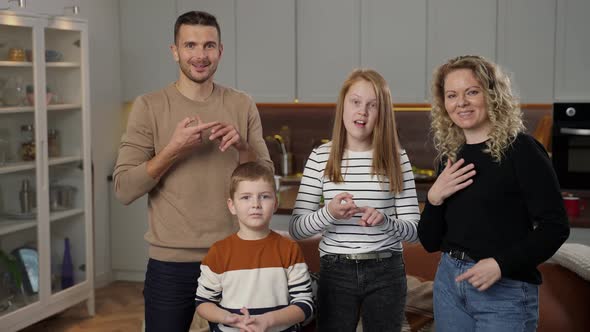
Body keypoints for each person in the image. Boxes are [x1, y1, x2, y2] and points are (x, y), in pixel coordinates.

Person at [112, 11, 272, 332]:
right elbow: (124, 188)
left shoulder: (242, 105)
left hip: (233, 258)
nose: (200, 55)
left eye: (209, 46)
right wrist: (173, 149)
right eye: (190, 45)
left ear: (220, 51)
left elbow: (266, 180)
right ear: (175, 51)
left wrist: (243, 147)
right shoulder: (149, 106)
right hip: (170, 265)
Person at [417, 55, 570, 332]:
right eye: (452, 95)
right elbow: (429, 241)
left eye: (471, 92)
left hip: (505, 290)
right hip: (449, 284)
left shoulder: (522, 150)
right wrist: (434, 199)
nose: (461, 102)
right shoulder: (449, 158)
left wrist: (501, 264)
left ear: (492, 95)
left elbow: (555, 227)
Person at [289, 69, 420, 331]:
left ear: (382, 114)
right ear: (343, 106)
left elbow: (415, 232)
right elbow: (296, 228)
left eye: (373, 105)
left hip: (387, 271)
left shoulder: (397, 158)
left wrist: (386, 222)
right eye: (356, 102)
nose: (363, 111)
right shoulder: (320, 157)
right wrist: (329, 214)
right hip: (335, 271)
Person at [195, 161, 314, 332]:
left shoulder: (289, 249)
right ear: (232, 205)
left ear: (275, 203)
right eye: (246, 197)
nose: (256, 204)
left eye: (264, 196)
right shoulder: (219, 252)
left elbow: (304, 305)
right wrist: (229, 318)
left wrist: (267, 321)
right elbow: (203, 303)